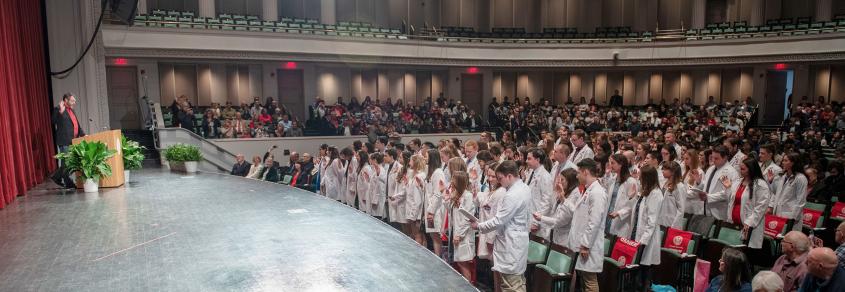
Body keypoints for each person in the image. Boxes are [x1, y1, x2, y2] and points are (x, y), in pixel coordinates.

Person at [470, 161, 531, 292]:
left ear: (509, 176)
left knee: (511, 285)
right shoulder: (524, 188)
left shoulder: (512, 195)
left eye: (500, 178)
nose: (498, 181)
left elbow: (498, 220)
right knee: (517, 282)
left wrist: (479, 226)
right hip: (516, 240)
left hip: (511, 243)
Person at [703, 158, 770, 249]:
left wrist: (749, 223)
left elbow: (761, 207)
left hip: (749, 225)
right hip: (733, 223)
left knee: (744, 253)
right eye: (740, 168)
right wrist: (726, 188)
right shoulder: (739, 181)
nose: (740, 171)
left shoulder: (760, 184)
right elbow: (729, 197)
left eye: (743, 169)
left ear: (751, 169)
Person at [568, 158, 608, 292]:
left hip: (589, 245)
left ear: (585, 172)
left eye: (579, 172)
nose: (577, 176)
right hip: (582, 242)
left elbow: (594, 221)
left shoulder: (597, 192)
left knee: (590, 280)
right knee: (584, 279)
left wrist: (585, 245)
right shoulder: (589, 190)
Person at [690, 146, 740, 235]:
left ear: (725, 158)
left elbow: (729, 193)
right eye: (712, 157)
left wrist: (708, 197)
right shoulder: (711, 169)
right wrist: (698, 182)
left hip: (718, 211)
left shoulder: (731, 172)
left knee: (712, 238)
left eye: (716, 158)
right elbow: (706, 185)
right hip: (705, 209)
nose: (713, 160)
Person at [631, 165, 664, 288]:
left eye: (641, 177)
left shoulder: (655, 194)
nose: (639, 179)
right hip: (638, 234)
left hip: (646, 239)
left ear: (648, 178)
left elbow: (651, 221)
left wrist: (642, 242)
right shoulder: (646, 191)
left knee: (644, 271)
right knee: (637, 268)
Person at [533, 168, 579, 248]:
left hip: (563, 240)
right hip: (554, 236)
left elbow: (560, 221)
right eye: (559, 179)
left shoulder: (574, 196)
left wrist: (541, 218)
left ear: (570, 182)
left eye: (562, 180)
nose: (559, 182)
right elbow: (553, 212)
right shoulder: (563, 193)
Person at [444, 171, 476, 280]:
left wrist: (459, 235)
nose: (451, 182)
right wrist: (447, 198)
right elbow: (450, 210)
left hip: (463, 236)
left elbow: (467, 218)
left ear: (459, 181)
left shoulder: (468, 196)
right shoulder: (456, 194)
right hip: (455, 231)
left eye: (453, 180)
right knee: (459, 263)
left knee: (463, 264)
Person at [51, 93, 86, 188]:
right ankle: (68, 182)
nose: (74, 102)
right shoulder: (58, 109)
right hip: (64, 141)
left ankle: (57, 177)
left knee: (67, 163)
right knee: (67, 162)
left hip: (73, 141)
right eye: (72, 101)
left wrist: (83, 134)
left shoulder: (72, 111)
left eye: (74, 101)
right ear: (65, 100)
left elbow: (77, 125)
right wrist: (60, 112)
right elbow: (53, 121)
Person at [769, 153, 808, 231]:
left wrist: (792, 219)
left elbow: (801, 201)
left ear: (793, 163)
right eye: (783, 160)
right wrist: (771, 181)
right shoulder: (783, 176)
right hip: (779, 213)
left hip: (791, 217)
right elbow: (776, 193)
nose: (782, 162)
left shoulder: (801, 178)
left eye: (785, 160)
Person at [605, 153, 638, 237]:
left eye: (613, 163)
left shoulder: (631, 182)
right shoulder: (613, 178)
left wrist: (619, 213)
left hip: (620, 221)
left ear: (621, 164)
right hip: (608, 217)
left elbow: (632, 204)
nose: (610, 165)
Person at [526, 148, 554, 240]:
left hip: (538, 221)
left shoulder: (545, 177)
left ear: (537, 160)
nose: (526, 161)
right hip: (528, 215)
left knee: (535, 250)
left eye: (529, 159)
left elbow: (546, 202)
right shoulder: (531, 172)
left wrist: (536, 222)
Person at [425, 149, 447, 257]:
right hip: (431, 208)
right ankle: (438, 257)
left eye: (427, 156)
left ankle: (439, 258)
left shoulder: (438, 172)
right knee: (433, 235)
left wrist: (431, 211)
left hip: (436, 209)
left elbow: (438, 193)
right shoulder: (431, 171)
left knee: (437, 236)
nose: (425, 158)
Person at [658, 161, 686, 228]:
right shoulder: (665, 183)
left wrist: (674, 227)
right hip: (661, 221)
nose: (662, 171)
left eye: (665, 169)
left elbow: (681, 209)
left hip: (672, 224)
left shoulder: (680, 187)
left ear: (673, 172)